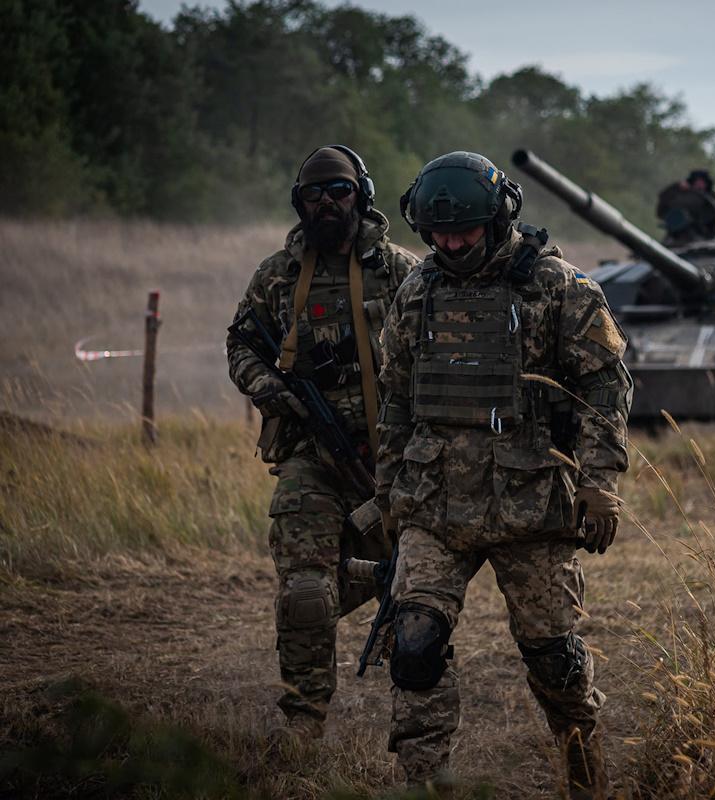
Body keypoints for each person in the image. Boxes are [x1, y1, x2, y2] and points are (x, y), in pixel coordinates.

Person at [374, 151, 631, 797]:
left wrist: (600, 483)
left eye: (464, 231)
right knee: (413, 645)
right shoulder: (418, 290)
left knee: (556, 662)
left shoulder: (559, 286)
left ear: (499, 218)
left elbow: (605, 387)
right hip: (435, 505)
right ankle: (424, 784)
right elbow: (397, 398)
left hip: (534, 504)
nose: (451, 244)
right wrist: (389, 493)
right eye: (438, 234)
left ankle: (584, 780)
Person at [226, 145, 419, 741]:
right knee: (305, 591)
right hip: (312, 455)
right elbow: (241, 346)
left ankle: (419, 724)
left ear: (361, 194)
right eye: (315, 193)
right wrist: (268, 389)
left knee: (413, 586)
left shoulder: (404, 271)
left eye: (338, 191)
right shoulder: (276, 277)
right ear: (299, 201)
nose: (327, 203)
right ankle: (303, 723)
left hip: (392, 459)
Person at [655, 168, 715, 244]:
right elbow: (661, 210)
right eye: (696, 181)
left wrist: (711, 204)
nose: (699, 184)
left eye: (702, 182)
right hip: (682, 235)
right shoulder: (683, 194)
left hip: (709, 235)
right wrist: (676, 187)